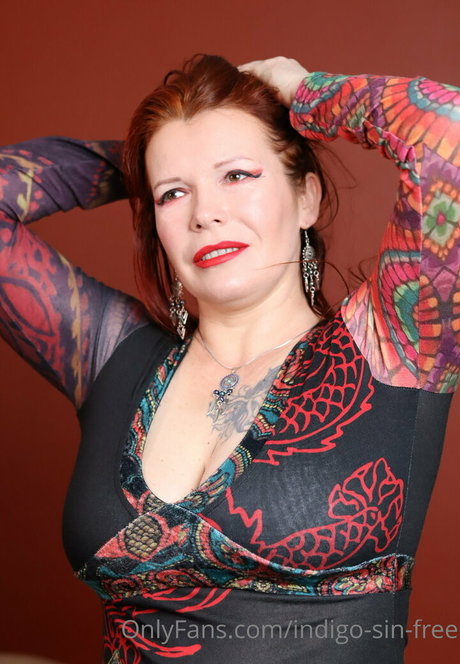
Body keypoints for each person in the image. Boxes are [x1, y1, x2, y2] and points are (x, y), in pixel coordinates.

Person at [0, 54, 458, 663]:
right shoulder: (112, 354)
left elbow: (447, 132)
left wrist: (305, 93)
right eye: (173, 194)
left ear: (307, 198)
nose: (204, 213)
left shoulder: (394, 343)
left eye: (237, 175)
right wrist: (142, 162)